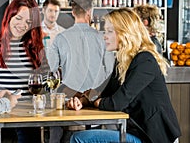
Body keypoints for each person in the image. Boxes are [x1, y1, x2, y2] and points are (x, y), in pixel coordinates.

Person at [68, 8, 181, 143]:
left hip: (153, 137)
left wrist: (97, 101)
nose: (104, 36)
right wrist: (83, 100)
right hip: (136, 130)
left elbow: (117, 102)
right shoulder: (123, 61)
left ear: (125, 33)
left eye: (110, 31)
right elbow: (102, 92)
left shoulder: (145, 60)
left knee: (79, 138)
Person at [0, 0, 49, 143]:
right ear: (9, 16)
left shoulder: (36, 48)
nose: (22, 25)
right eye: (18, 18)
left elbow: (46, 82)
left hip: (29, 120)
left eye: (28, 22)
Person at [47, 0, 115, 143]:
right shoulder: (102, 38)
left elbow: (52, 69)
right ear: (90, 11)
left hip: (68, 102)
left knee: (58, 132)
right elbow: (111, 70)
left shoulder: (60, 38)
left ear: (72, 12)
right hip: (95, 102)